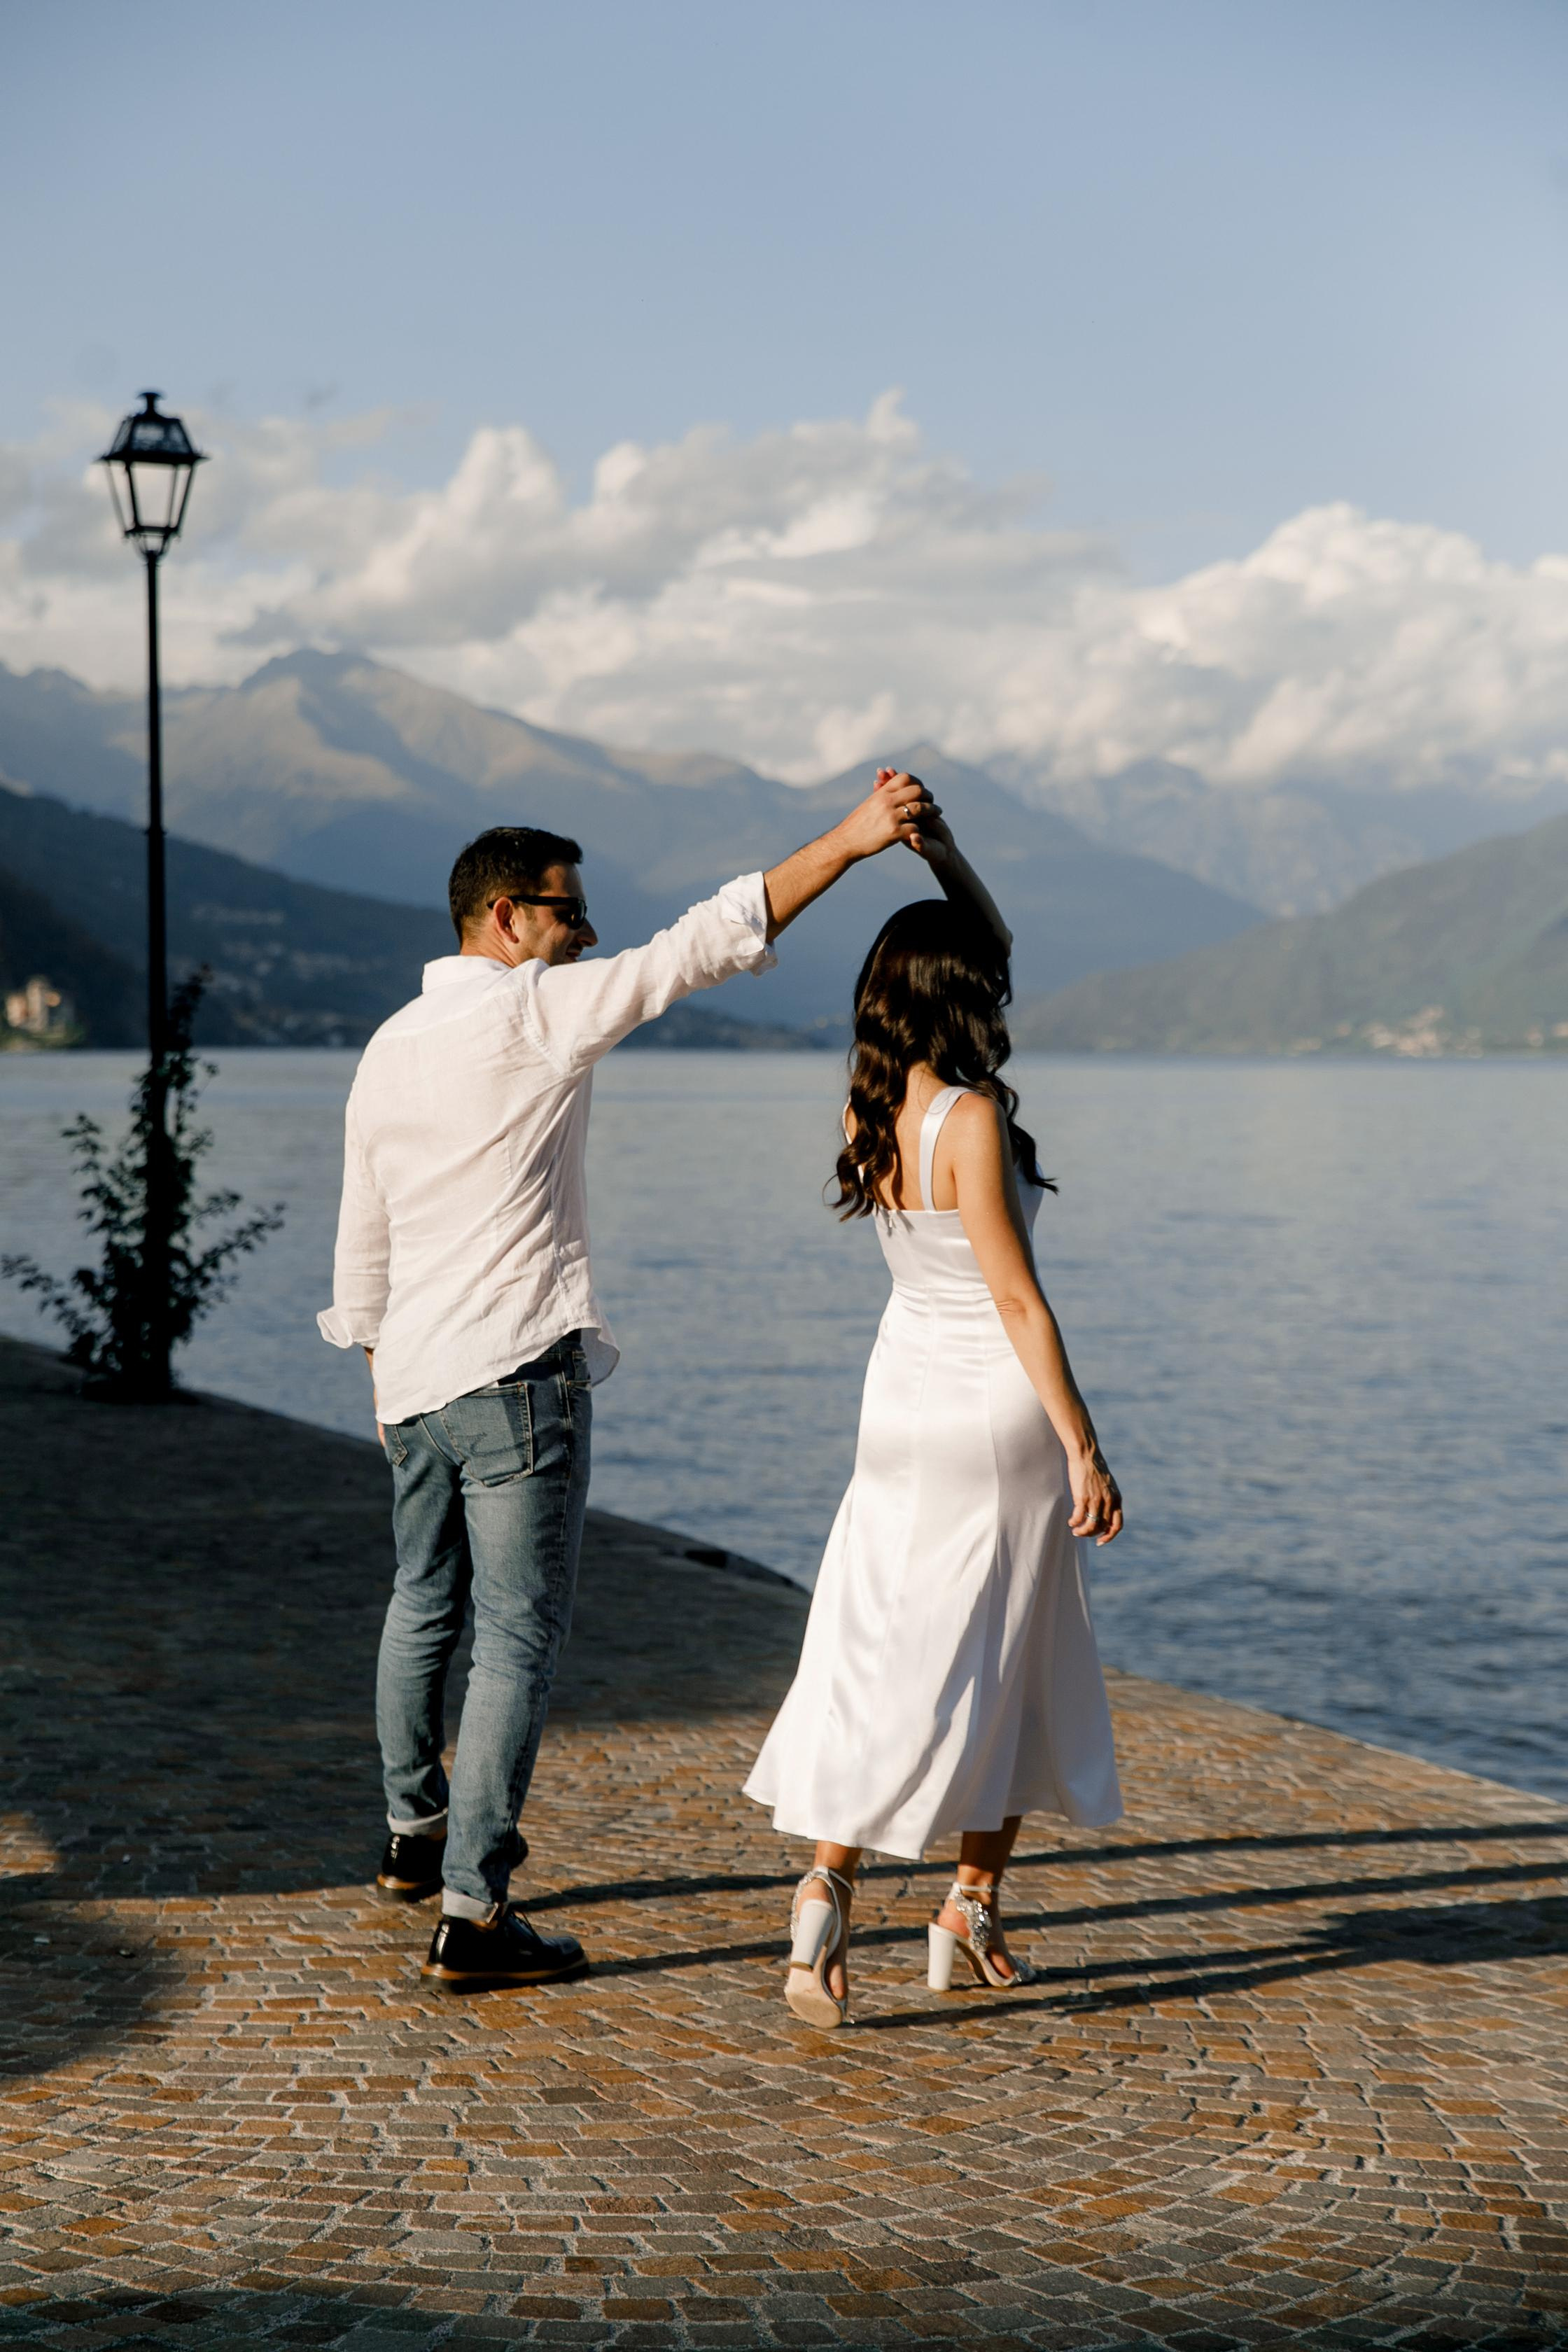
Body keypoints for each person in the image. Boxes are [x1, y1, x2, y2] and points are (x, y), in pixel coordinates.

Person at [318, 777, 934, 1991]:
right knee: (515, 1637)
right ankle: (473, 1915)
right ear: (507, 917)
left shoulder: (390, 1045)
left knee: (422, 1604)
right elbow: (705, 942)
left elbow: (362, 1249)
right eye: (569, 911)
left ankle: (410, 1838)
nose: (588, 932)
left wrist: (387, 1389)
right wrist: (854, 843)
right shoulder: (531, 1013)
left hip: (417, 1389)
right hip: (514, 1377)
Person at [743, 772, 1125, 2027]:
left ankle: (829, 1887)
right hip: (989, 1414)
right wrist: (1084, 1444)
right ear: (968, 996)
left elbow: (988, 937)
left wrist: (939, 851)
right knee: (1009, 1656)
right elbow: (1017, 1301)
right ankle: (968, 1899)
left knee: (882, 1642)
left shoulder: (878, 1109)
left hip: (897, 1399)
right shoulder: (971, 1119)